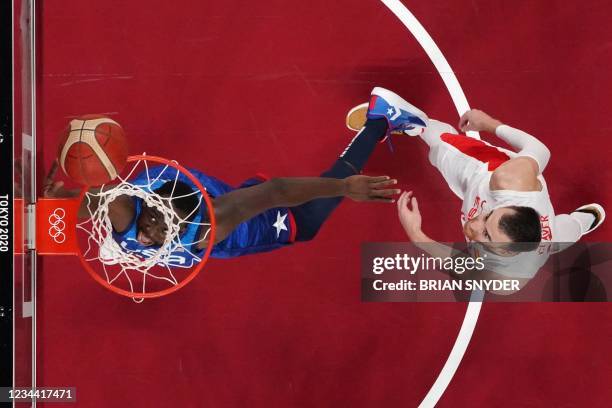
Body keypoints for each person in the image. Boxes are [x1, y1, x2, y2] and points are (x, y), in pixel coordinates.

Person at [43, 88, 429, 268]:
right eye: (149, 223)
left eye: (154, 231)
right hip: (242, 201)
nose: (146, 234)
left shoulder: (211, 225)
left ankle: (381, 118)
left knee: (323, 197)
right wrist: (62, 194)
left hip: (274, 217)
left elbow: (277, 193)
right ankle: (377, 122)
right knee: (302, 218)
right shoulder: (131, 215)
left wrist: (346, 189)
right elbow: (102, 199)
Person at [347, 89, 606, 281]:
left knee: (562, 234)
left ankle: (583, 220)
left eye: (486, 236)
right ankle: (410, 119)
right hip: (483, 174)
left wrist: (417, 236)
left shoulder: (509, 278)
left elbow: (464, 267)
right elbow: (541, 151)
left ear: (506, 255)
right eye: (488, 217)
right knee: (442, 146)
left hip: (537, 236)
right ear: (509, 208)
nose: (474, 225)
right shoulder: (509, 181)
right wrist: (491, 124)